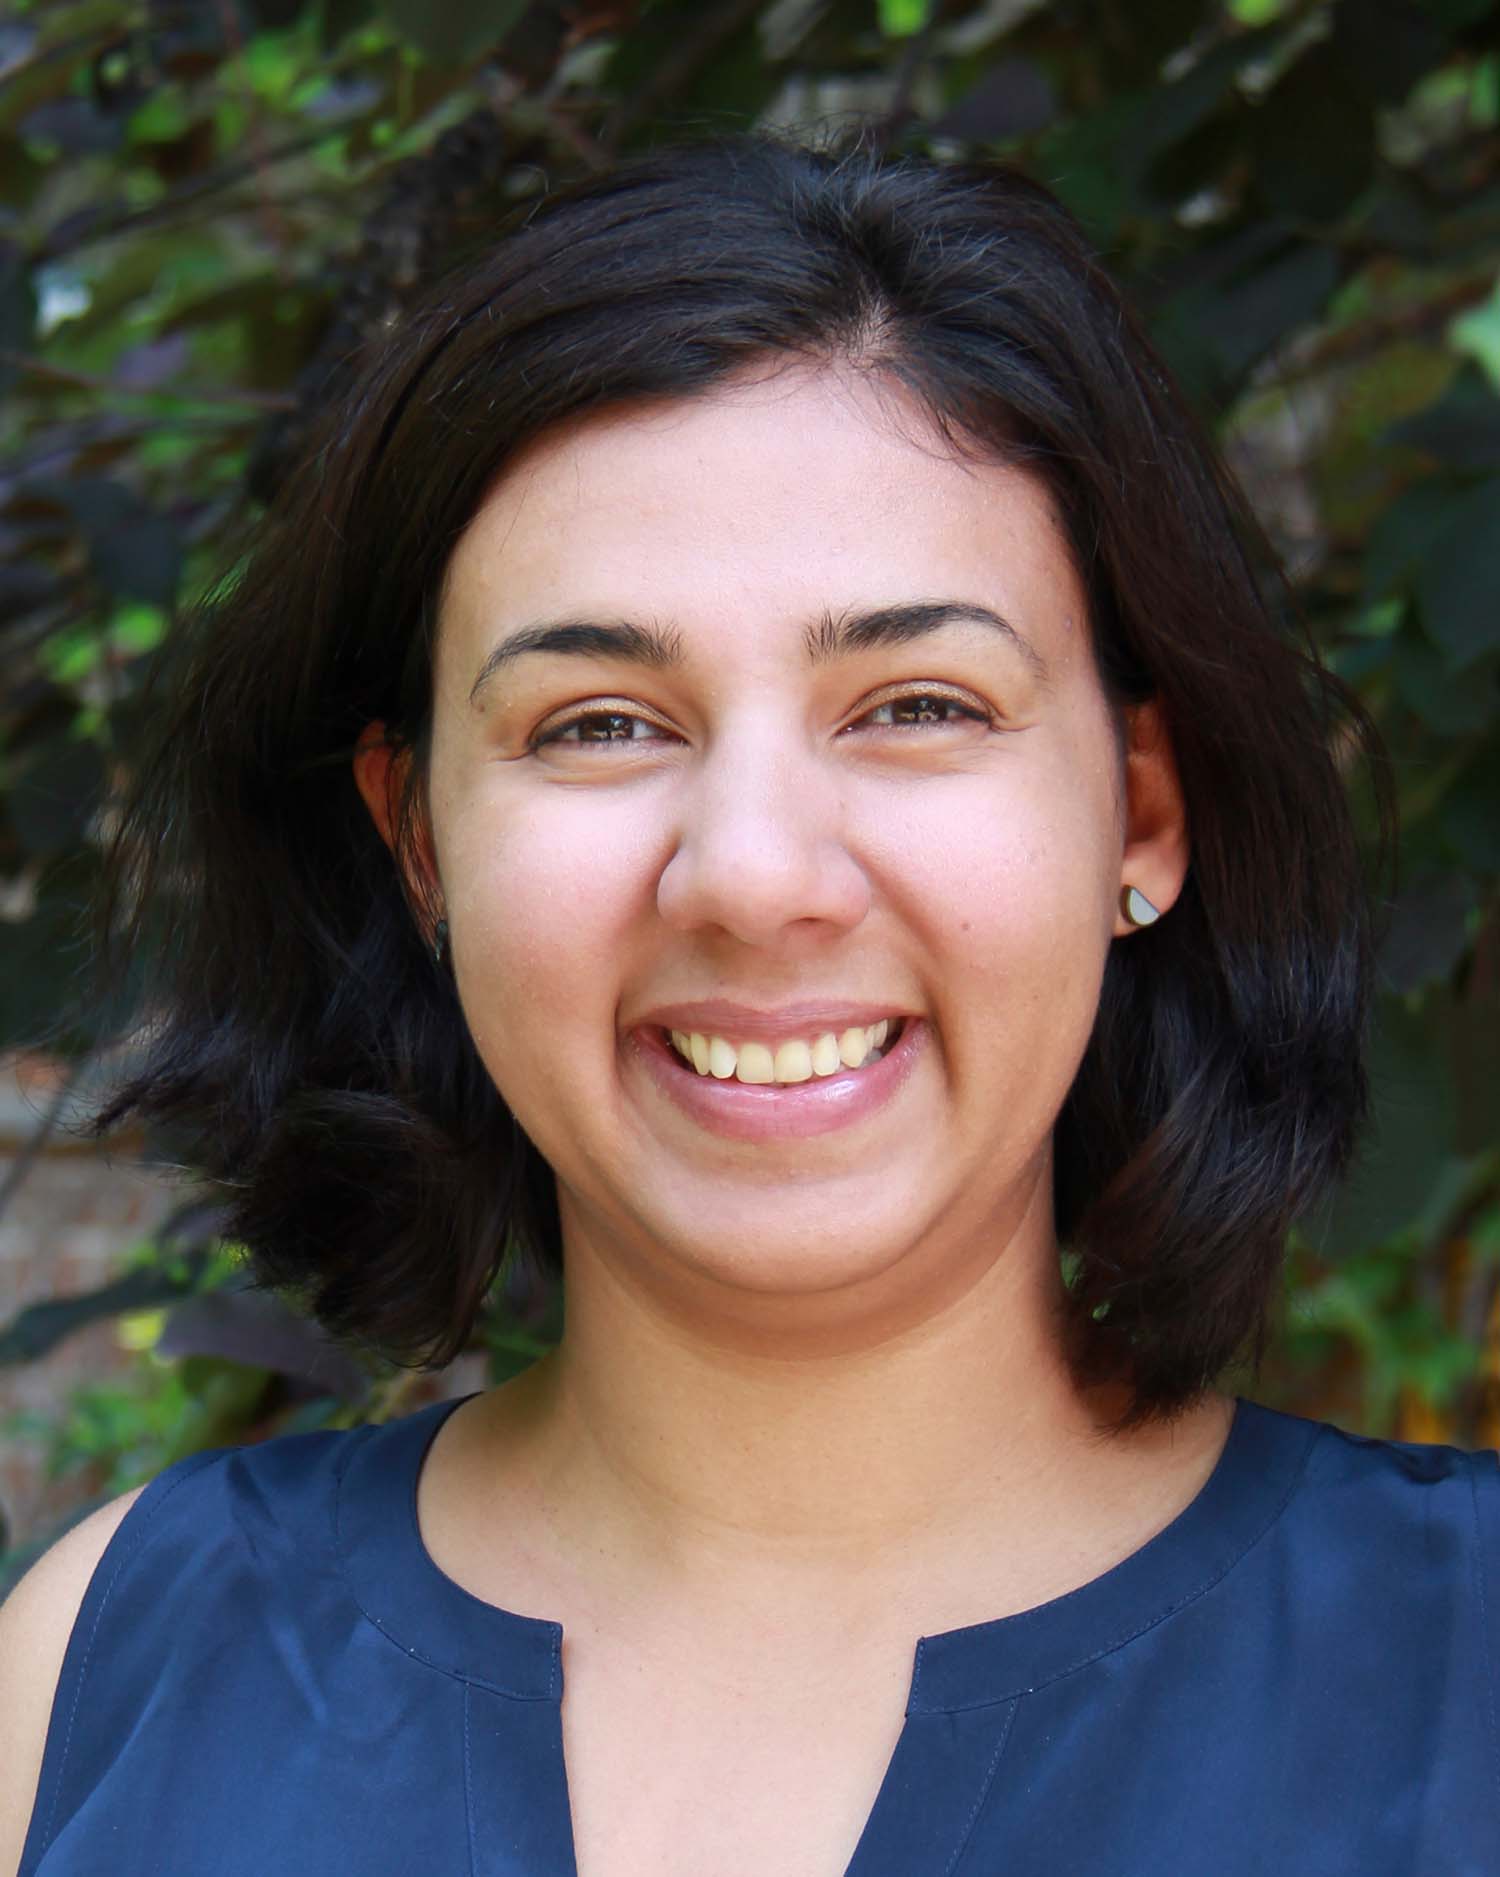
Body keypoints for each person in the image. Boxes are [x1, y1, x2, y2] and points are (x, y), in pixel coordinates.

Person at [1, 127, 1494, 1877]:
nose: (754, 871)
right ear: (419, 842)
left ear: (1142, 810)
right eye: (600, 724)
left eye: (918, 703)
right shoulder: (100, 1672)